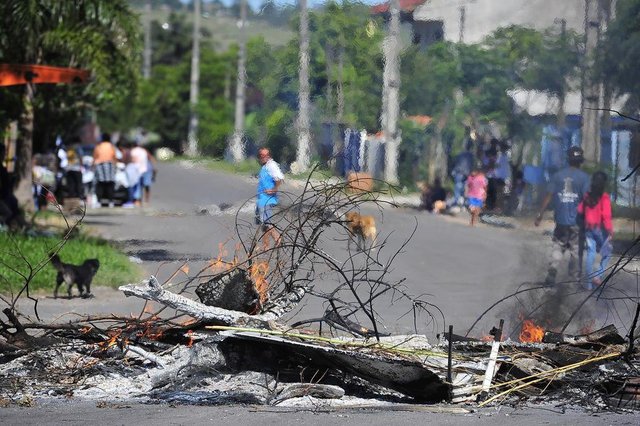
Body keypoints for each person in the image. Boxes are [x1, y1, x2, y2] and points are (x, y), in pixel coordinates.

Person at [535, 146, 590, 286]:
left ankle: (553, 268)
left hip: (560, 219)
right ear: (580, 161)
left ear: (568, 160)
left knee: (558, 245)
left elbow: (549, 195)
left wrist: (540, 214)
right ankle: (573, 278)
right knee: (575, 249)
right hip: (577, 221)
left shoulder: (558, 176)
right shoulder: (584, 178)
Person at [578, 171, 613, 290]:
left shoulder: (587, 196)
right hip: (599, 230)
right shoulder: (604, 197)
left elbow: (580, 211)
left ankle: (588, 285)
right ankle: (597, 276)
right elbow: (606, 216)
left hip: (588, 229)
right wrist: (610, 231)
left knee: (591, 253)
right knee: (608, 253)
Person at [256, 147, 284, 246]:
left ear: (269, 156)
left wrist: (274, 189)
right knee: (263, 223)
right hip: (262, 198)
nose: (263, 157)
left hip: (267, 199)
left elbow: (279, 178)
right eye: (261, 155)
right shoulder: (265, 166)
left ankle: (278, 238)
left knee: (266, 222)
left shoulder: (271, 165)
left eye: (266, 155)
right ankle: (266, 246)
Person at [93, 134, 117, 207]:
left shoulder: (99, 146)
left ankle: (99, 201)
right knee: (110, 184)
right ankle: (111, 201)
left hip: (100, 165)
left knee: (100, 184)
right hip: (110, 165)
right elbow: (114, 156)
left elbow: (95, 156)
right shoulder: (111, 146)